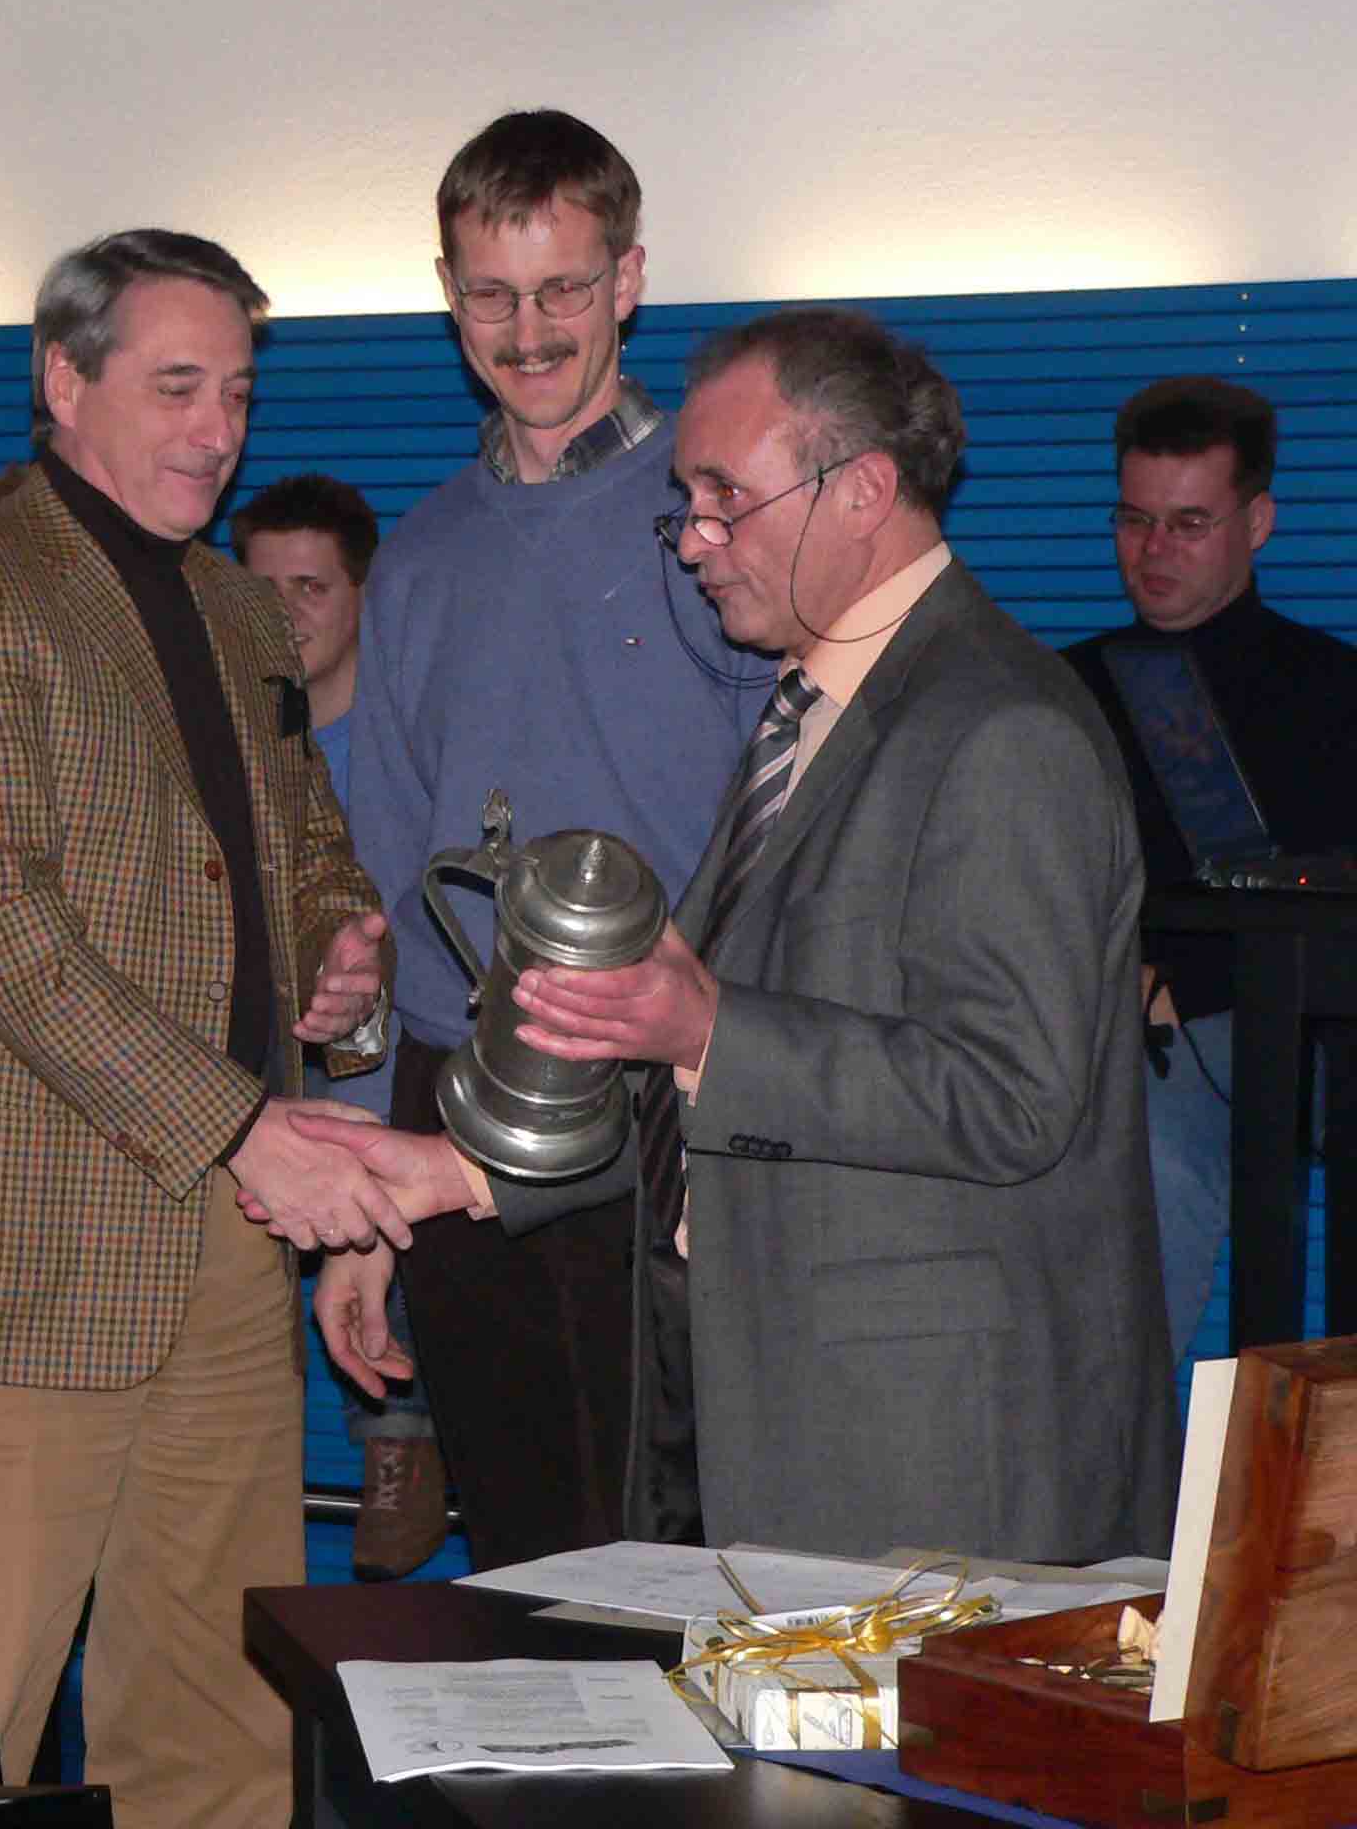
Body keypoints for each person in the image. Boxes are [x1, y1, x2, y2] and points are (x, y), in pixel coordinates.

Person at [305, 307, 1178, 1561]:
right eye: (688, 502)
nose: (693, 541)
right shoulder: (809, 711)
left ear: (861, 490)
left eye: (726, 499)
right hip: (774, 1412)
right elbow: (700, 1089)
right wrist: (466, 1177)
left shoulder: (1002, 731)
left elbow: (1012, 1096)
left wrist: (708, 1026)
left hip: (933, 1450)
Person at [0, 229, 391, 1829]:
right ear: (64, 382)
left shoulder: (240, 609)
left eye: (239, 394)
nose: (218, 430)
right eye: (178, 387)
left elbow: (307, 846)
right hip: (7, 1241)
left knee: (220, 1723)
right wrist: (248, 1123)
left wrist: (338, 957)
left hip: (222, 1238)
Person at [338, 110, 762, 1568]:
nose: (527, 333)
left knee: (675, 1559)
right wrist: (368, 1204)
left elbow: (791, 836)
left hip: (671, 1113)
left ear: (629, 279)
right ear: (447, 296)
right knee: (522, 1558)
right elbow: (385, 889)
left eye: (563, 288)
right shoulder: (417, 559)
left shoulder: (719, 525)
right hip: (458, 1111)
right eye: (491, 294)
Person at [1062, 378, 1357, 1356]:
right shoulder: (1055, 693)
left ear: (1256, 523)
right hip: (1119, 1039)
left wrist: (1168, 989)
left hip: (1282, 1034)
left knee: (1150, 1147)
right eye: (1134, 520)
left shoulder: (1333, 694)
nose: (1154, 551)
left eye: (1188, 523)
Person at [232, 472, 444, 1580]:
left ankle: (400, 1425)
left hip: (390, 1059)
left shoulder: (409, 747)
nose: (280, 615)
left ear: (365, 596)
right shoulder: (218, 741)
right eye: (258, 590)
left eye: (309, 588)